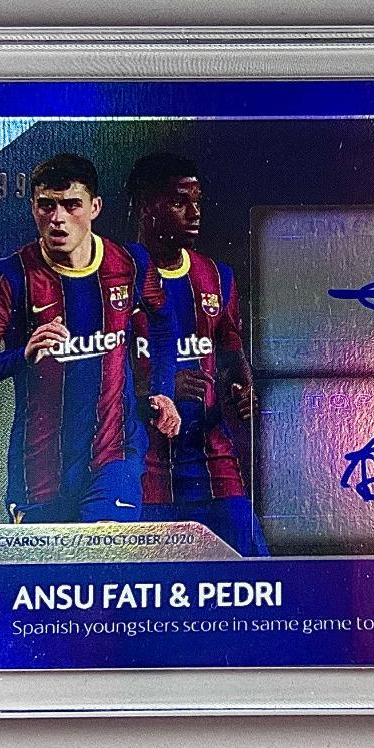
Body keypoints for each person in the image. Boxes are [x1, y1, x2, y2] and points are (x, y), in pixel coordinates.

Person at [0, 153, 180, 523]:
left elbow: (165, 324)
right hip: (39, 473)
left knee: (103, 551)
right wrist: (22, 355)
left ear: (94, 207)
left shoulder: (130, 263)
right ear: (33, 208)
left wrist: (163, 389)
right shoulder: (12, 276)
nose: (58, 218)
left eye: (72, 205)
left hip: (114, 455)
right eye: (47, 205)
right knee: (52, 561)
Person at [128, 152, 269, 555]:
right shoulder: (115, 277)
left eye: (197, 201)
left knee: (254, 573)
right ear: (146, 205)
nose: (194, 213)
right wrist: (158, 388)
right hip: (144, 470)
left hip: (213, 464)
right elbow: (92, 375)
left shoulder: (217, 277)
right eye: (179, 202)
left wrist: (243, 388)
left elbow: (231, 354)